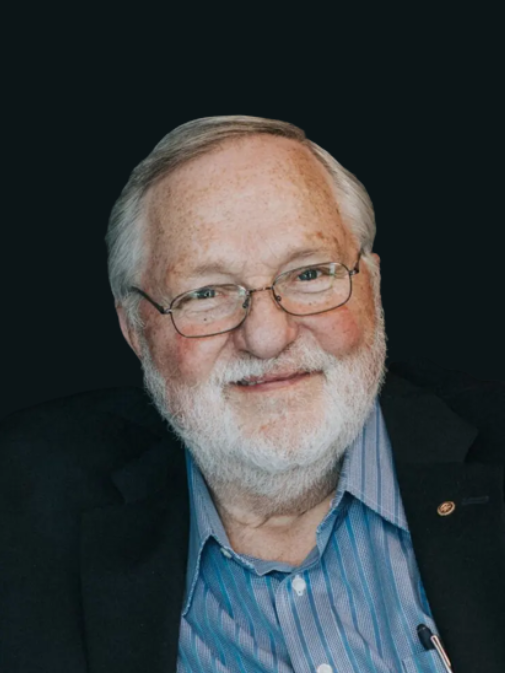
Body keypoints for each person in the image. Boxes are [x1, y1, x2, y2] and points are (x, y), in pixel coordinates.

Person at [0, 116, 503, 673]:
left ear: (372, 288)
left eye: (309, 274)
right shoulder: (20, 513)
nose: (266, 337)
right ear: (135, 330)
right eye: (207, 292)